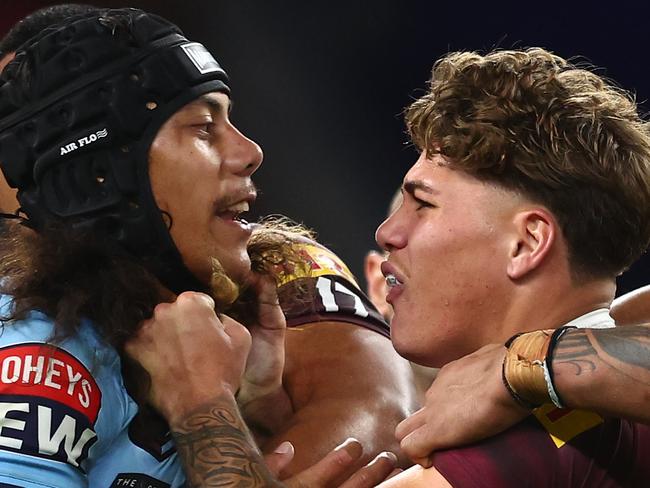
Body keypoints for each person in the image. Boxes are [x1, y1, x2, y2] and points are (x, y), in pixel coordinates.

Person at [0, 4, 419, 476]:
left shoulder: (274, 268)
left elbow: (379, 427)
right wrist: (204, 407)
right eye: (203, 126)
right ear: (97, 170)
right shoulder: (36, 349)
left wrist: (260, 415)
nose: (251, 152)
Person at [371, 48, 650, 487]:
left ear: (528, 242)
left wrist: (219, 400)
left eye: (423, 204)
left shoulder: (513, 450)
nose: (387, 232)